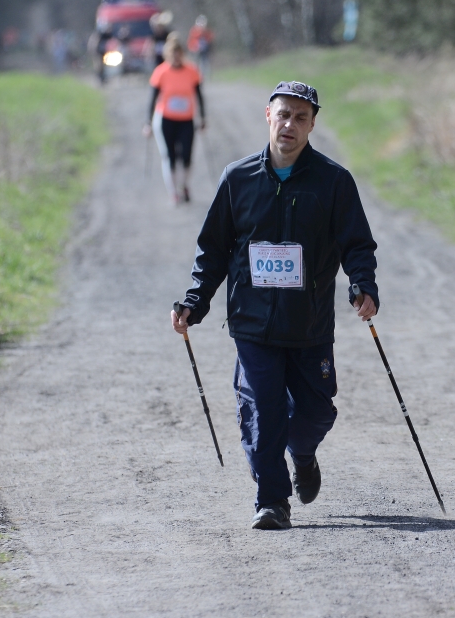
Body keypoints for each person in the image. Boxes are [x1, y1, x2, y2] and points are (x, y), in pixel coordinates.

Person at [171, 80, 379, 530]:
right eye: (283, 114)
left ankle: (302, 454)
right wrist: (194, 301)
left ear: (312, 124)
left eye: (301, 117)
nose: (290, 125)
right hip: (253, 323)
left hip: (309, 324)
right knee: (262, 411)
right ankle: (272, 501)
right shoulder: (238, 179)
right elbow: (213, 249)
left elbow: (357, 244)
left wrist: (363, 284)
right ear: (269, 115)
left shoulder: (333, 182)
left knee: (316, 412)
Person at [143, 34, 206, 204]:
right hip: (167, 119)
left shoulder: (192, 71)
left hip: (186, 120)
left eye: (178, 54)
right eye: (173, 54)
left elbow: (199, 96)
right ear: (167, 55)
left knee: (186, 156)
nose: (176, 58)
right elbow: (152, 99)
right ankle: (173, 192)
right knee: (169, 156)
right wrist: (148, 123)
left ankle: (184, 185)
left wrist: (202, 118)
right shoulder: (160, 72)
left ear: (182, 54)